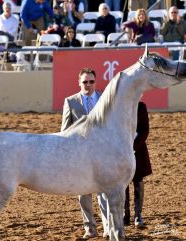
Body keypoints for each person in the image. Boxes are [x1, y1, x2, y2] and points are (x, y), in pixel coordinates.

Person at [61, 68, 108, 239]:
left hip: (102, 153)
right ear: (79, 83)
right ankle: (90, 227)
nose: (88, 85)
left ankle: (107, 226)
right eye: (85, 82)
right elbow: (65, 130)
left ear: (96, 82)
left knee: (104, 190)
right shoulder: (71, 102)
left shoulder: (105, 98)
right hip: (80, 155)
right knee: (83, 192)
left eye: (91, 82)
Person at [124, 101, 152, 227]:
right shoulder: (118, 104)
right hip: (121, 148)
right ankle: (125, 214)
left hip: (138, 148)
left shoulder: (141, 106)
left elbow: (145, 130)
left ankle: (138, 214)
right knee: (123, 182)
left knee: (138, 181)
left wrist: (134, 146)